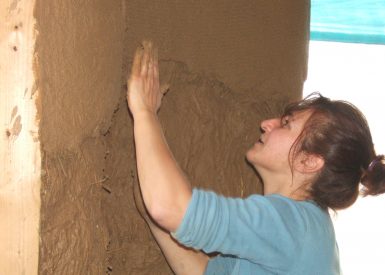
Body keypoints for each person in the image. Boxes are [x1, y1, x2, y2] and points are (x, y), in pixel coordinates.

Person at [126, 41, 385, 275]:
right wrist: (155, 217)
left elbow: (170, 208)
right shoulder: (307, 230)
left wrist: (145, 111)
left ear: (309, 161)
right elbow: (206, 271)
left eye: (286, 124)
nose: (266, 124)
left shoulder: (292, 227)